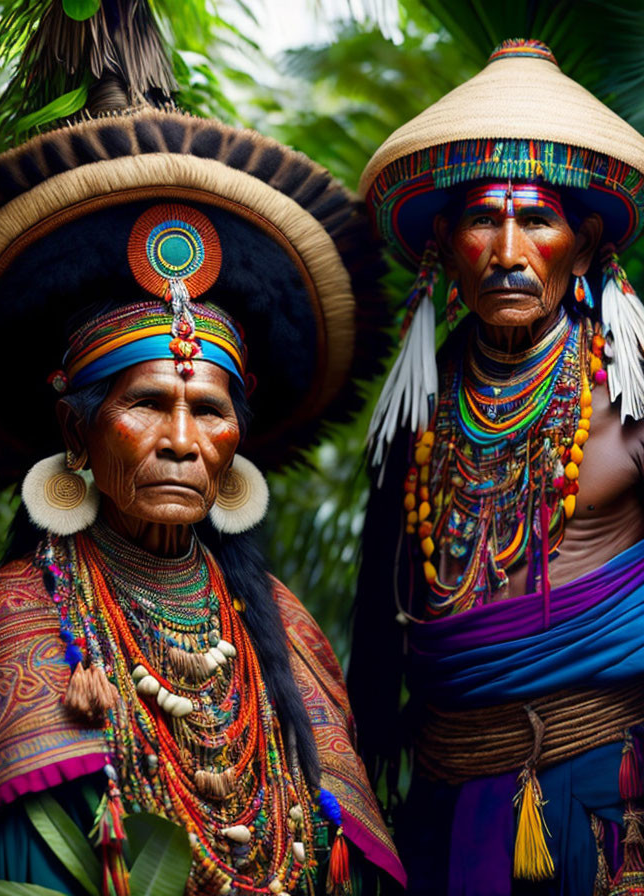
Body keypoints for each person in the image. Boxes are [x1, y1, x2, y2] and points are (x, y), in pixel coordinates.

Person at [0, 102, 406, 895]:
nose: (182, 441)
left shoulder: (287, 634)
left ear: (235, 446)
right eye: (148, 404)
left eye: (211, 411)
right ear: (75, 432)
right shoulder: (17, 628)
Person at [349, 38, 644, 895]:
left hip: (607, 793)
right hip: (442, 795)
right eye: (483, 219)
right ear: (443, 244)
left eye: (536, 220)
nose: (509, 250)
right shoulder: (420, 410)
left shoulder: (630, 394)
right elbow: (381, 616)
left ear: (583, 244)